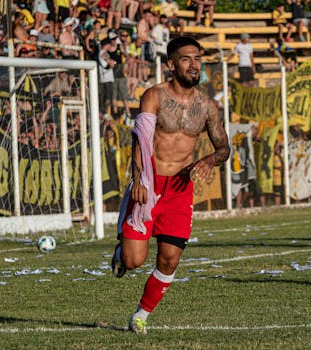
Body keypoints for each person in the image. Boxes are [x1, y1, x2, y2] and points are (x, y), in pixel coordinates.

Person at [111, 36, 230, 334]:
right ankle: (120, 253)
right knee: (133, 260)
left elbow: (223, 148)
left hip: (180, 189)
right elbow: (140, 138)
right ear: (171, 64)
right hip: (149, 184)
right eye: (187, 59)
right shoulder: (153, 95)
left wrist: (209, 161)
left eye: (198, 59)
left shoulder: (207, 106)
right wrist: (138, 179)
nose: (194, 65)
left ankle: (141, 315)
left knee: (170, 259)